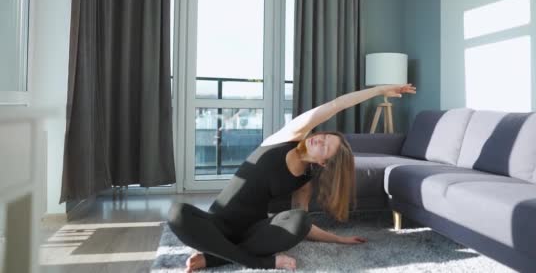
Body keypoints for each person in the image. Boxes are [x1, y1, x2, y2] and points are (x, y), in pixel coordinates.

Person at [168, 83, 417, 272]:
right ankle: (259, 262)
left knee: (298, 218)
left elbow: (300, 225)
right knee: (177, 213)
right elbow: (334, 106)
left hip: (252, 232)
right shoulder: (289, 136)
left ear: (323, 162)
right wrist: (379, 90)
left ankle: (216, 256)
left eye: (325, 147)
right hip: (217, 223)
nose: (319, 139)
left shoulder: (304, 180)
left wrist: (339, 239)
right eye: (325, 136)